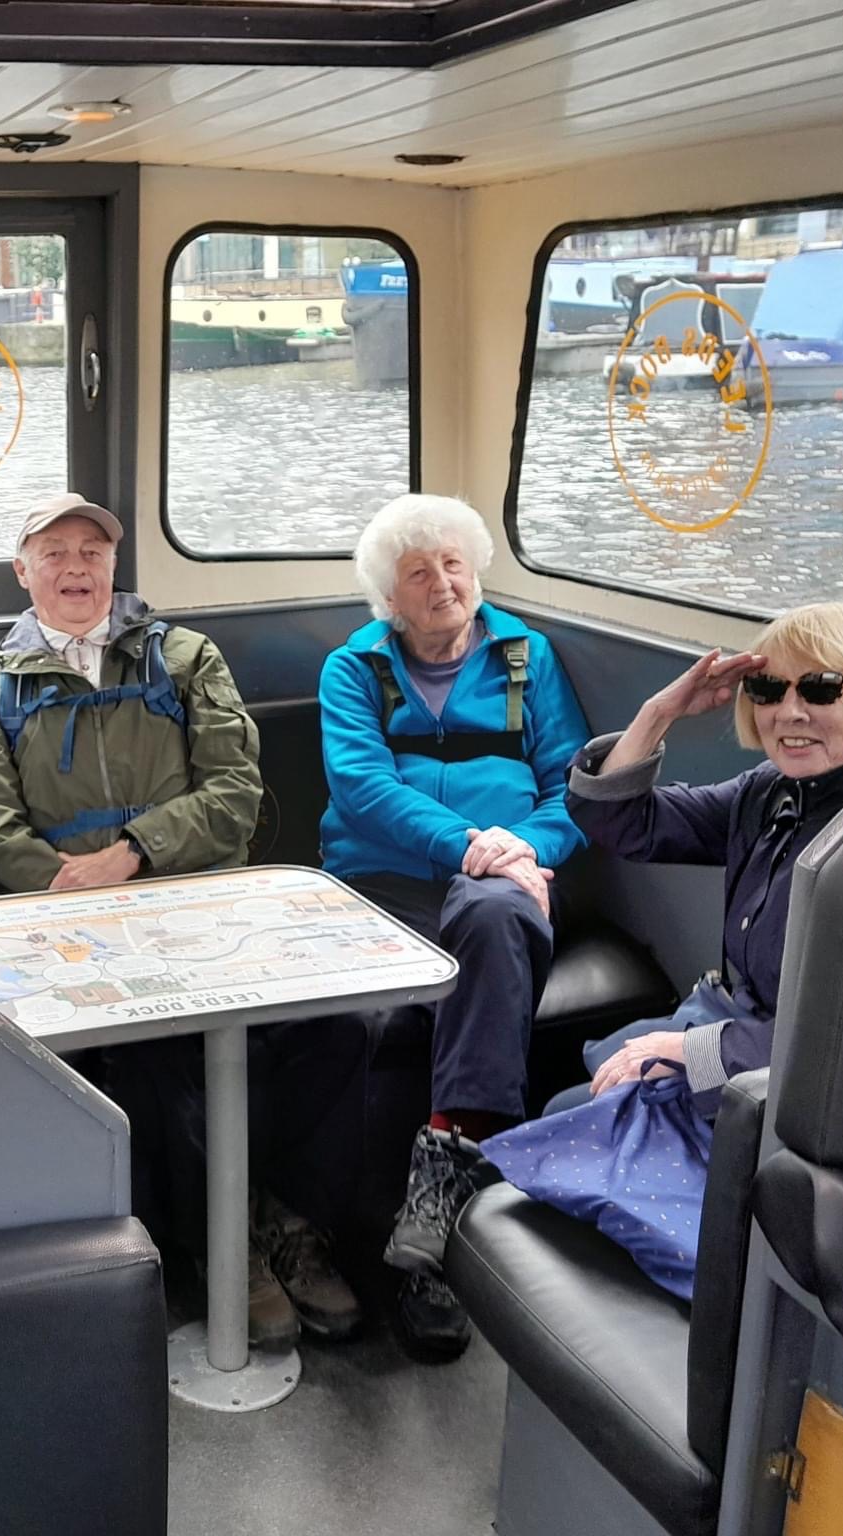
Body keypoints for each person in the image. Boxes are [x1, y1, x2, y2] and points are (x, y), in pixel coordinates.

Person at [0, 493, 361, 1352]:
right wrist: (79, 888)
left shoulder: (185, 659)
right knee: (170, 1055)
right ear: (22, 572)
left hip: (198, 903)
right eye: (55, 553)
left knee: (343, 1028)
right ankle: (229, 1246)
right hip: (72, 924)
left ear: (115, 564)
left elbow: (235, 795)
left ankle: (285, 1217)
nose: (76, 568)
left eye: (93, 551)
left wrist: (134, 854)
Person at [318, 493, 589, 1356]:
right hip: (383, 879)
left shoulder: (528, 658)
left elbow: (573, 788)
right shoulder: (352, 669)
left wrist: (523, 849)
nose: (441, 583)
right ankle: (432, 1214)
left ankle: (443, 1188)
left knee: (496, 915)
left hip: (502, 878)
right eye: (417, 572)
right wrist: (471, 845)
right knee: (482, 917)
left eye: (453, 564)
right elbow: (362, 788)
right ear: (387, 597)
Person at [545, 600, 843, 1116]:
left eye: (821, 688)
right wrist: (659, 714)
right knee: (566, 1102)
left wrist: (694, 1052)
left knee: (565, 1114)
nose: (789, 711)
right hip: (736, 1033)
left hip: (798, 1089)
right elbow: (621, 821)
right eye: (768, 688)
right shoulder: (773, 792)